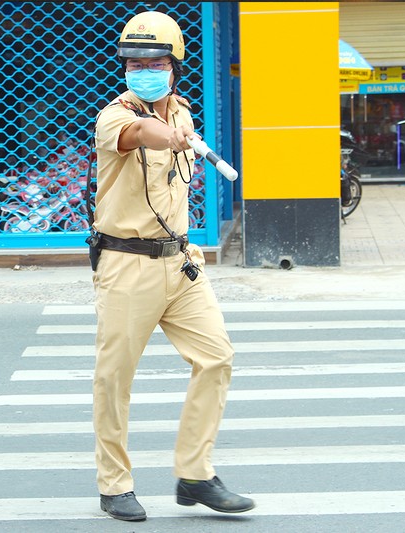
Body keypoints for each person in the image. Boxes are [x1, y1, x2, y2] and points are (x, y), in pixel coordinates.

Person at [88, 11, 254, 521]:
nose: (144, 68)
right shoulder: (114, 116)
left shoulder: (181, 110)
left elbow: (170, 134)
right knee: (115, 377)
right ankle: (114, 484)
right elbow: (142, 133)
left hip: (181, 262)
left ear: (174, 65)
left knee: (217, 357)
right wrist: (171, 137)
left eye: (155, 60)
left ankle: (195, 474)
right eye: (134, 61)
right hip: (126, 263)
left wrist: (181, 131)